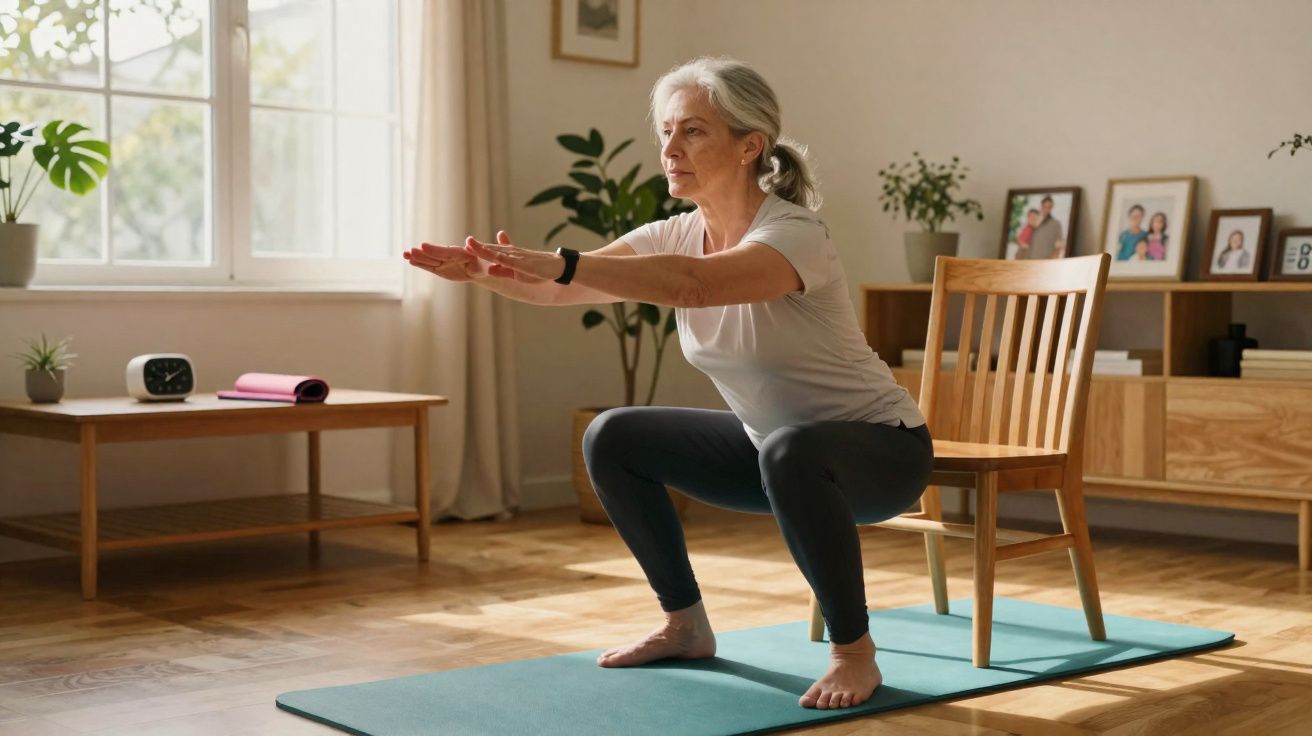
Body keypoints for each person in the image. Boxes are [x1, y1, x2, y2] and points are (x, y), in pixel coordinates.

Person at [402, 56, 932, 712]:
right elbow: (560, 288)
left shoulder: (795, 234)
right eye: (665, 132)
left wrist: (563, 261)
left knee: (791, 449)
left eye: (693, 131)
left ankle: (854, 652)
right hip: (775, 454)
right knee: (614, 436)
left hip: (882, 453)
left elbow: (693, 285)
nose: (670, 149)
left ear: (750, 146)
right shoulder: (674, 233)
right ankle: (685, 625)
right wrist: (485, 272)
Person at [1022, 195, 1065, 259]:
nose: (1046, 209)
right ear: (1041, 206)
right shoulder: (1034, 221)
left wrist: (1051, 259)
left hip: (1046, 260)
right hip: (1030, 260)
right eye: (1045, 206)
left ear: (1052, 207)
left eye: (1049, 207)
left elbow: (1059, 246)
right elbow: (1024, 239)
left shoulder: (1056, 224)